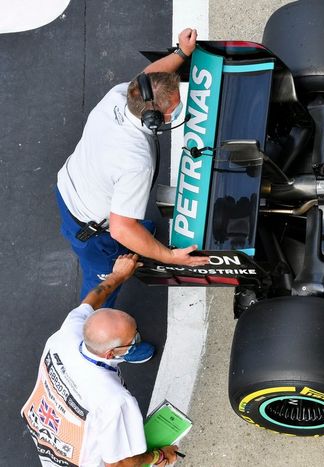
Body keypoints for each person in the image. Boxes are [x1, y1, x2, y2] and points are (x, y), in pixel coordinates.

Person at [56, 27, 210, 310]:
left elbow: (148, 77)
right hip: (94, 233)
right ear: (154, 117)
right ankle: (97, 336)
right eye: (174, 107)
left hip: (71, 187)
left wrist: (181, 53)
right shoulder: (136, 160)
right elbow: (120, 228)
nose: (177, 109)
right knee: (104, 285)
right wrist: (169, 257)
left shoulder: (120, 96)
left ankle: (141, 241)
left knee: (134, 228)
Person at [21, 254, 180, 466]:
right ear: (111, 353)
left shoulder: (66, 334)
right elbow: (121, 464)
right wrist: (160, 456)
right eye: (134, 339)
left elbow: (91, 301)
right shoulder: (114, 400)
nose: (137, 339)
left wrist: (118, 275)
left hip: (55, 447)